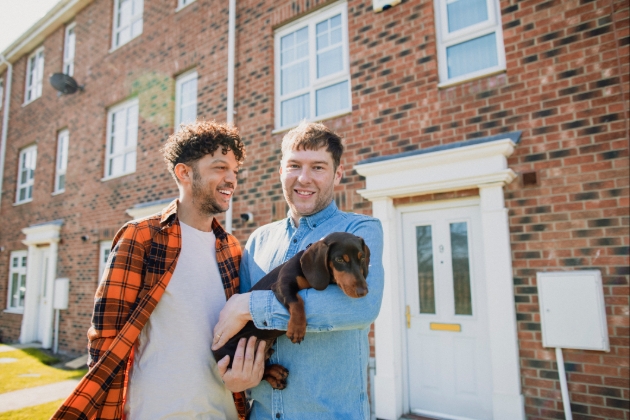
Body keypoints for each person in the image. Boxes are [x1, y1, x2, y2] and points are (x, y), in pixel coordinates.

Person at [53, 120, 266, 420]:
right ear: (184, 172)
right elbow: (105, 337)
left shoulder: (232, 248)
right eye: (220, 168)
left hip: (224, 411)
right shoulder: (141, 236)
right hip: (154, 411)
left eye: (234, 171)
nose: (231, 179)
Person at [212, 121, 384, 419]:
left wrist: (249, 305)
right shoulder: (258, 241)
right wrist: (238, 376)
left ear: (337, 174)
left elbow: (361, 307)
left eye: (318, 167)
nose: (304, 179)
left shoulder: (358, 229)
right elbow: (244, 333)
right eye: (294, 166)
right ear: (281, 171)